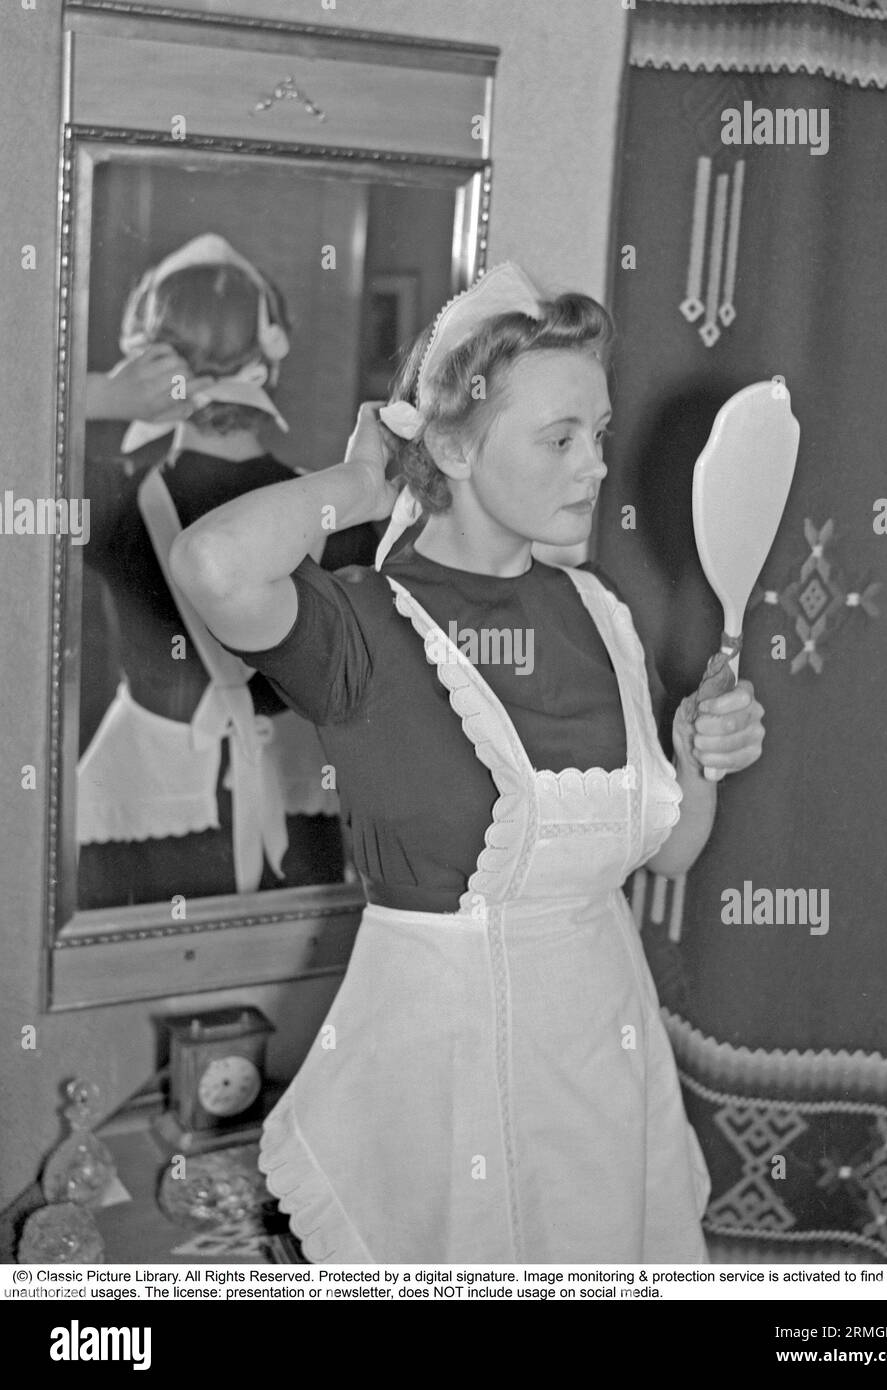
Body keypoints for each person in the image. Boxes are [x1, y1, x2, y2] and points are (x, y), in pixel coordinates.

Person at [172, 262, 766, 1262]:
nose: (594, 467)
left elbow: (664, 858)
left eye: (600, 434)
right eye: (560, 437)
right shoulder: (361, 627)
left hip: (604, 1067)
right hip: (446, 1091)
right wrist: (363, 482)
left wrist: (696, 762)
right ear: (452, 441)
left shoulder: (598, 614)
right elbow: (210, 565)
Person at [79, 233, 375, 908]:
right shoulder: (341, 508)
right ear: (272, 348)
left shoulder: (110, 502)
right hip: (302, 824)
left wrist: (98, 397)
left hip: (146, 829)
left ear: (143, 348)